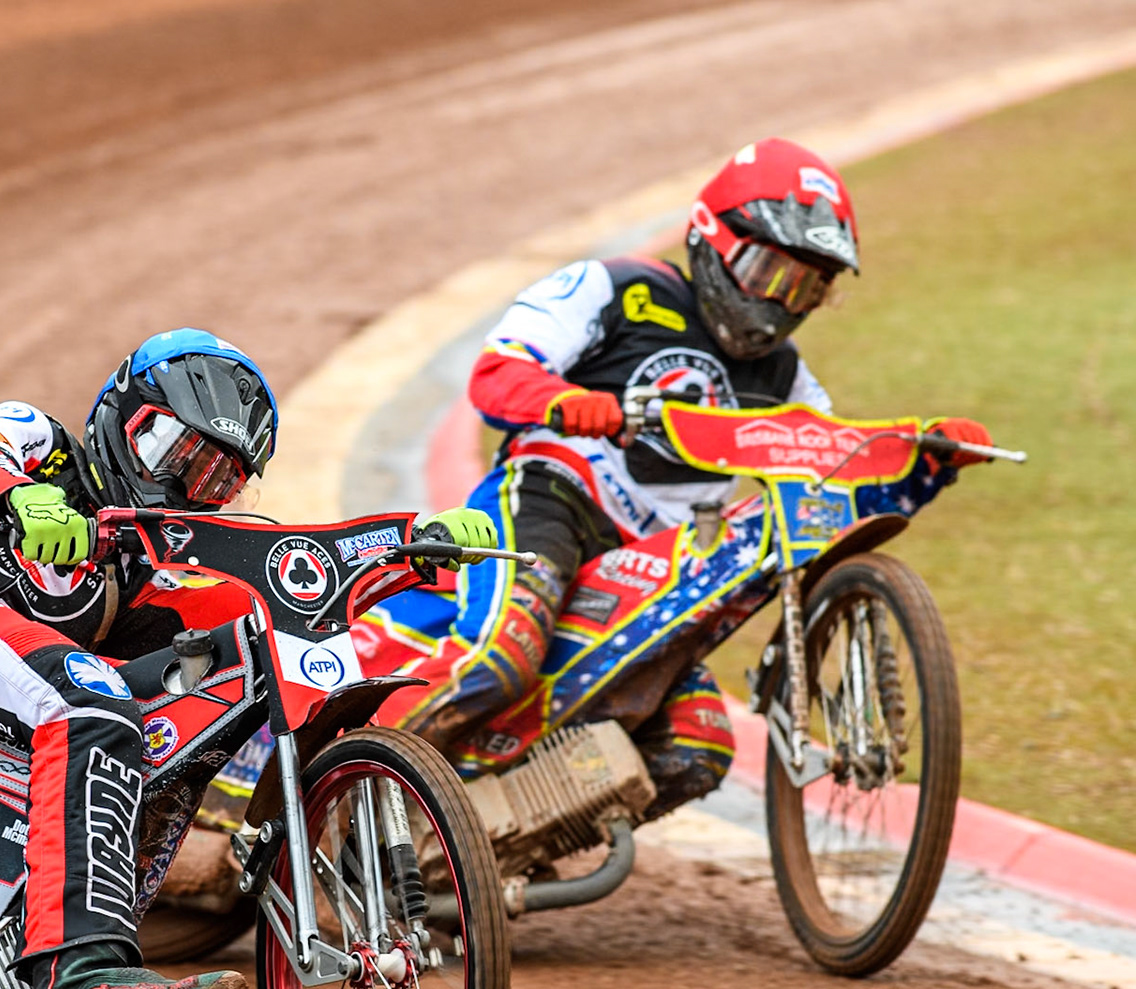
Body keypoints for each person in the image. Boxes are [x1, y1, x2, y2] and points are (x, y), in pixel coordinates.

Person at [0, 329, 494, 989]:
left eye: (214, 479)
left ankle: (23, 952)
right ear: (122, 414)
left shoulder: (146, 559)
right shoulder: (38, 439)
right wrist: (21, 496)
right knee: (91, 700)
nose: (185, 485)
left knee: (185, 686)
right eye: (174, 451)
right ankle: (79, 983)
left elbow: (287, 564)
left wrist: (408, 541)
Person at [368, 138, 995, 816]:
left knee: (698, 749)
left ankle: (500, 837)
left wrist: (920, 458)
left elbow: (830, 472)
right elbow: (496, 374)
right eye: (769, 272)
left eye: (807, 287)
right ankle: (339, 796)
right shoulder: (616, 288)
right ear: (713, 239)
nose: (781, 304)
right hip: (552, 500)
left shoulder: (787, 379)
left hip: (658, 568)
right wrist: (569, 404)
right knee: (502, 658)